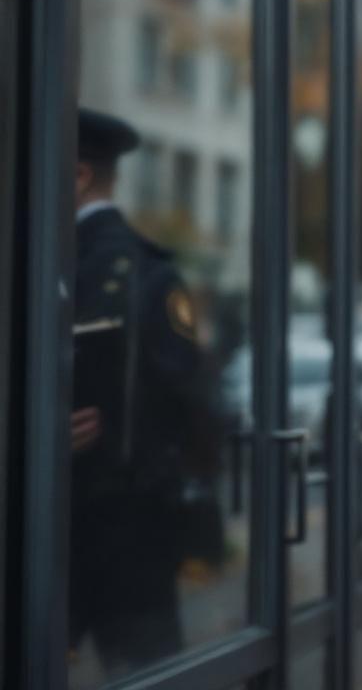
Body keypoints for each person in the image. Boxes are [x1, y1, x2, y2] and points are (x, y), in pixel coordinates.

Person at [69, 108, 216, 676]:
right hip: (130, 539)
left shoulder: (131, 271)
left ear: (79, 176)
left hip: (108, 530)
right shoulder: (148, 272)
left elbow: (183, 409)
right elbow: (190, 402)